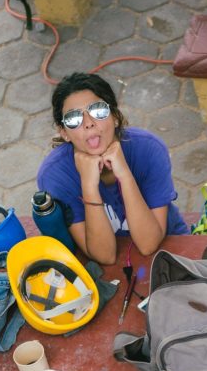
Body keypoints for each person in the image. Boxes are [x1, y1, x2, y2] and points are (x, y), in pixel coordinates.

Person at [37, 72, 189, 265]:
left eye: (98, 110)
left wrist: (125, 175)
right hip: (113, 265)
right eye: (74, 118)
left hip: (168, 247)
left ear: (115, 117)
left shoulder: (149, 149)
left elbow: (149, 244)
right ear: (64, 133)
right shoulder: (55, 174)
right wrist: (89, 185)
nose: (89, 122)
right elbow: (105, 256)